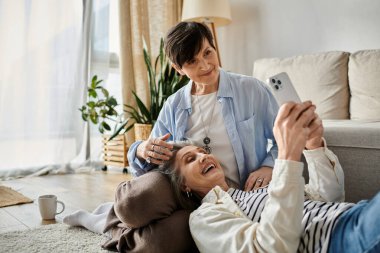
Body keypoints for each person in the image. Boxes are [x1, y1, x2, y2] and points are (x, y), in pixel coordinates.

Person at [159, 101, 380, 253]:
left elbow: (331, 196)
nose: (203, 157)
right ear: (184, 184)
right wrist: (287, 157)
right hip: (340, 239)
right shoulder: (205, 217)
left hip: (354, 211)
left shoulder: (255, 190)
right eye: (190, 160)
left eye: (203, 152)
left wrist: (313, 147)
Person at [128, 21, 280, 190]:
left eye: (207, 53)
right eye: (192, 61)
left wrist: (269, 167)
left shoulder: (251, 89)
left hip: (250, 194)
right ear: (178, 68)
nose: (205, 65)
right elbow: (152, 164)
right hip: (198, 203)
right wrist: (139, 149)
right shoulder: (174, 105)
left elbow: (285, 139)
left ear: (214, 48)